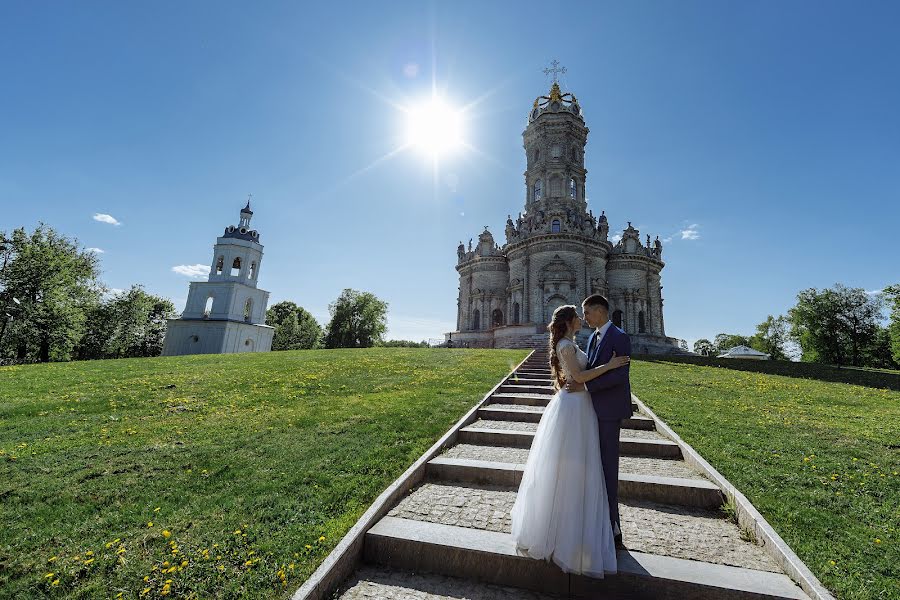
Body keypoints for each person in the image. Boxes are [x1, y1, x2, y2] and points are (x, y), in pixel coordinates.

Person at [510, 304, 630, 577]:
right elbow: (577, 377)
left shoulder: (574, 341)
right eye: (578, 316)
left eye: (584, 314)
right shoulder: (566, 344)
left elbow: (577, 375)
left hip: (580, 406)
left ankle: (573, 526)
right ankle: (568, 531)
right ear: (568, 321)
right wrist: (609, 365)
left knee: (576, 466)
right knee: (571, 466)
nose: (582, 319)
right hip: (575, 407)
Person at [574, 294, 633, 548]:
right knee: (593, 468)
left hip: (608, 412)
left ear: (599, 311)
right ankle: (596, 522)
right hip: (592, 410)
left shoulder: (619, 337)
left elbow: (619, 376)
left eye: (586, 313)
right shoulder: (593, 338)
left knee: (608, 470)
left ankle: (613, 527)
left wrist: (587, 386)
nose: (584, 318)